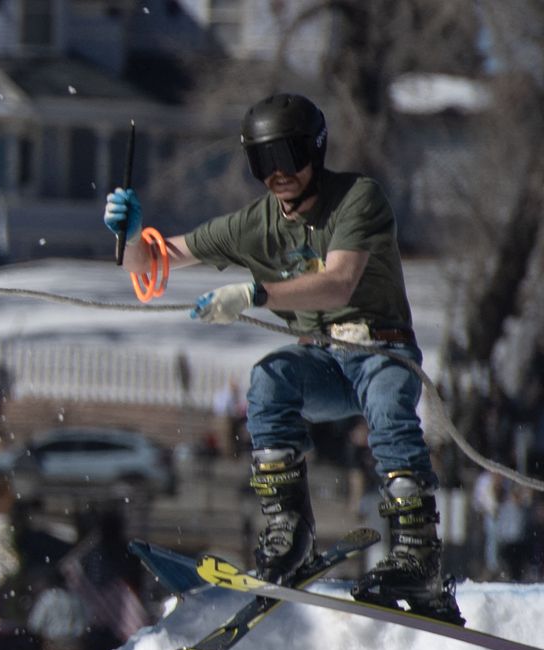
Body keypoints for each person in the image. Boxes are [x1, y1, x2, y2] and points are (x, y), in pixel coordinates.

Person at [103, 92, 459, 623]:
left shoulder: (358, 199)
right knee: (269, 380)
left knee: (388, 408)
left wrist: (256, 294)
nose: (278, 174)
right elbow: (155, 261)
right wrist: (131, 235)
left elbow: (339, 282)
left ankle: (417, 553)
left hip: (380, 347)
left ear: (315, 151)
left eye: (288, 157)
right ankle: (289, 532)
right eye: (262, 163)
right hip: (323, 362)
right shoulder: (255, 224)